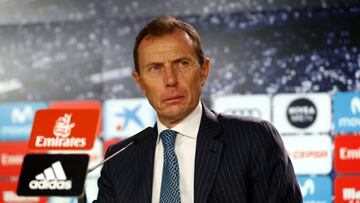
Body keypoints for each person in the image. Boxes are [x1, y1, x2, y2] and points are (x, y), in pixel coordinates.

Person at [95, 16, 302, 203]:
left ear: (204, 71)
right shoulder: (119, 158)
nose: (170, 80)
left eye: (182, 63)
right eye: (155, 68)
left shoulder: (252, 138)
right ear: (139, 82)